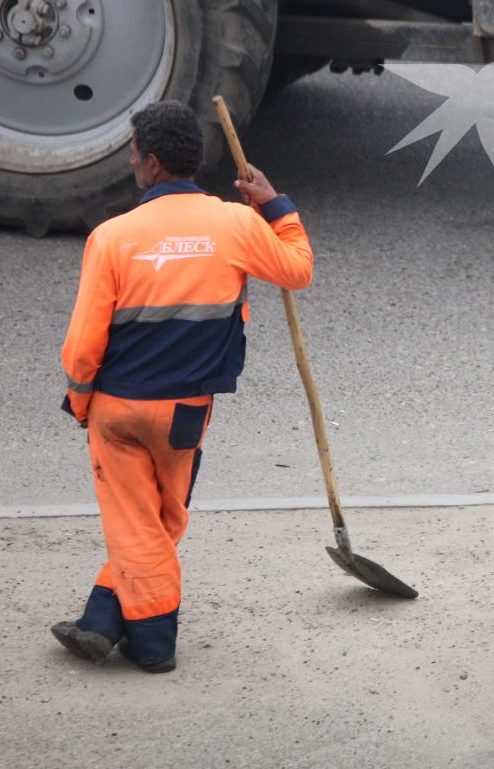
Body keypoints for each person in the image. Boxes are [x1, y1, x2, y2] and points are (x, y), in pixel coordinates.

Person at [51, 101, 313, 672]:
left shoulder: (112, 237)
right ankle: (100, 619)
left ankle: (152, 646)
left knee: (135, 522)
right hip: (187, 412)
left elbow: (83, 343)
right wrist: (274, 206)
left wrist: (78, 401)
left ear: (149, 164)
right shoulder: (238, 224)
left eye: (132, 155)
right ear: (194, 160)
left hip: (118, 410)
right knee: (161, 521)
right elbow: (298, 268)